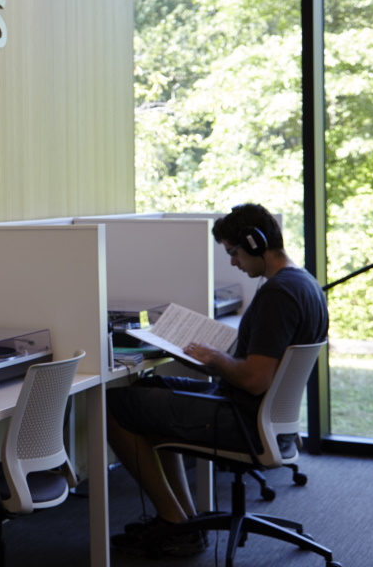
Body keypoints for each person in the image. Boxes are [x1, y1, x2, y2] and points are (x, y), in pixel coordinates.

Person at [105, 203, 329, 558]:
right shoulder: (304, 283)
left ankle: (174, 524)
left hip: (242, 418)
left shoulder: (277, 294)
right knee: (149, 390)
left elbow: (255, 379)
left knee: (114, 407)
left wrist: (215, 357)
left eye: (233, 252)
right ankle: (183, 518)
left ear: (254, 244)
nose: (233, 263)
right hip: (260, 416)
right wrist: (213, 357)